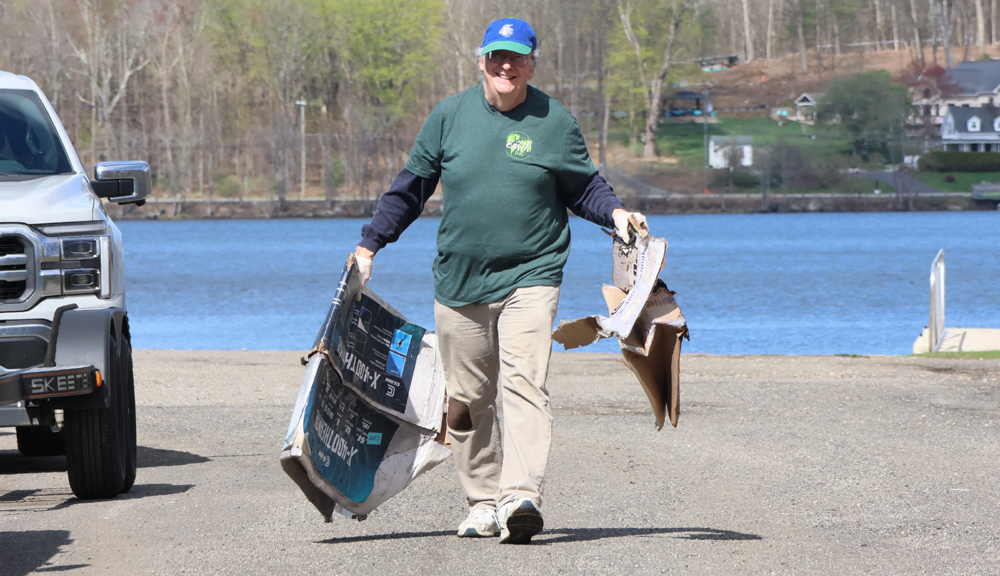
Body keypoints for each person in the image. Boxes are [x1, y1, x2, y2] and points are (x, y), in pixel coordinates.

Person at [354, 17, 648, 544]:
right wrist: (370, 243)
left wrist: (617, 214)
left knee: (525, 384)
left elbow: (584, 188)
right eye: (496, 57)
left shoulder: (554, 121)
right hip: (460, 281)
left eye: (516, 57)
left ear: (532, 63)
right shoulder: (449, 117)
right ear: (482, 62)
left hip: (532, 274)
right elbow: (409, 189)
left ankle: (520, 497)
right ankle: (482, 501)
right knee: (467, 399)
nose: (505, 66)